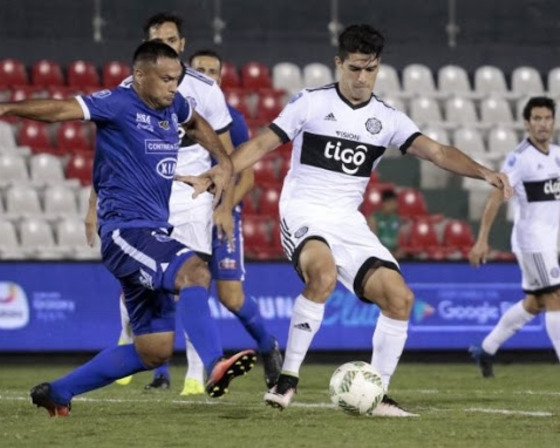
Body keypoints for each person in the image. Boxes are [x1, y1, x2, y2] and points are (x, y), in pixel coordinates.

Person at [181, 24, 512, 417]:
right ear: (339, 64)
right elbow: (260, 144)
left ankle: (378, 393)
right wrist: (220, 171)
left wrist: (484, 172)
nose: (361, 78)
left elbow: (438, 152)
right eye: (354, 68)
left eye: (369, 70)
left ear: (378, 68)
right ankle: (287, 380)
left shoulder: (387, 119)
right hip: (303, 210)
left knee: (400, 298)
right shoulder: (311, 103)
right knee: (321, 275)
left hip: (348, 221)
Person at [0, 41, 256, 417]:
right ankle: (216, 364)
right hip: (125, 232)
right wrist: (8, 108)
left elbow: (198, 123)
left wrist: (223, 162)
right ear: (139, 75)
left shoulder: (173, 106)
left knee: (154, 349)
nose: (173, 87)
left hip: (154, 233)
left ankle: (58, 392)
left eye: (177, 80)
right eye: (166, 79)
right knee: (195, 271)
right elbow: (60, 110)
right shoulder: (117, 103)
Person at [99, 13, 282, 395]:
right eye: (157, 39)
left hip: (202, 202)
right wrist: (93, 204)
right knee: (153, 284)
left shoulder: (222, 110)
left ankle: (230, 361)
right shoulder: (128, 95)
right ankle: (153, 361)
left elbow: (235, 166)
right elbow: (109, 156)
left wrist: (223, 207)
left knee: (209, 288)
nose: (207, 74)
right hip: (147, 199)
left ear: (180, 45)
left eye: (213, 69)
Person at [468, 96, 560, 377]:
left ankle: (486, 348)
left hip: (548, 241)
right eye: (537, 119)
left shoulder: (556, 154)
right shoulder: (519, 158)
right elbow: (497, 197)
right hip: (532, 240)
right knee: (556, 296)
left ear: (553, 122)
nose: (543, 124)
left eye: (547, 118)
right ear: (526, 123)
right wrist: (482, 239)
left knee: (535, 304)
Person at [367, 189, 405, 259]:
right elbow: (373, 242)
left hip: (393, 255)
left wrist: (397, 251)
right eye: (392, 204)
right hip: (379, 255)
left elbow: (397, 242)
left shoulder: (397, 219)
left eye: (395, 204)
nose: (394, 206)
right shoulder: (374, 219)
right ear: (385, 203)